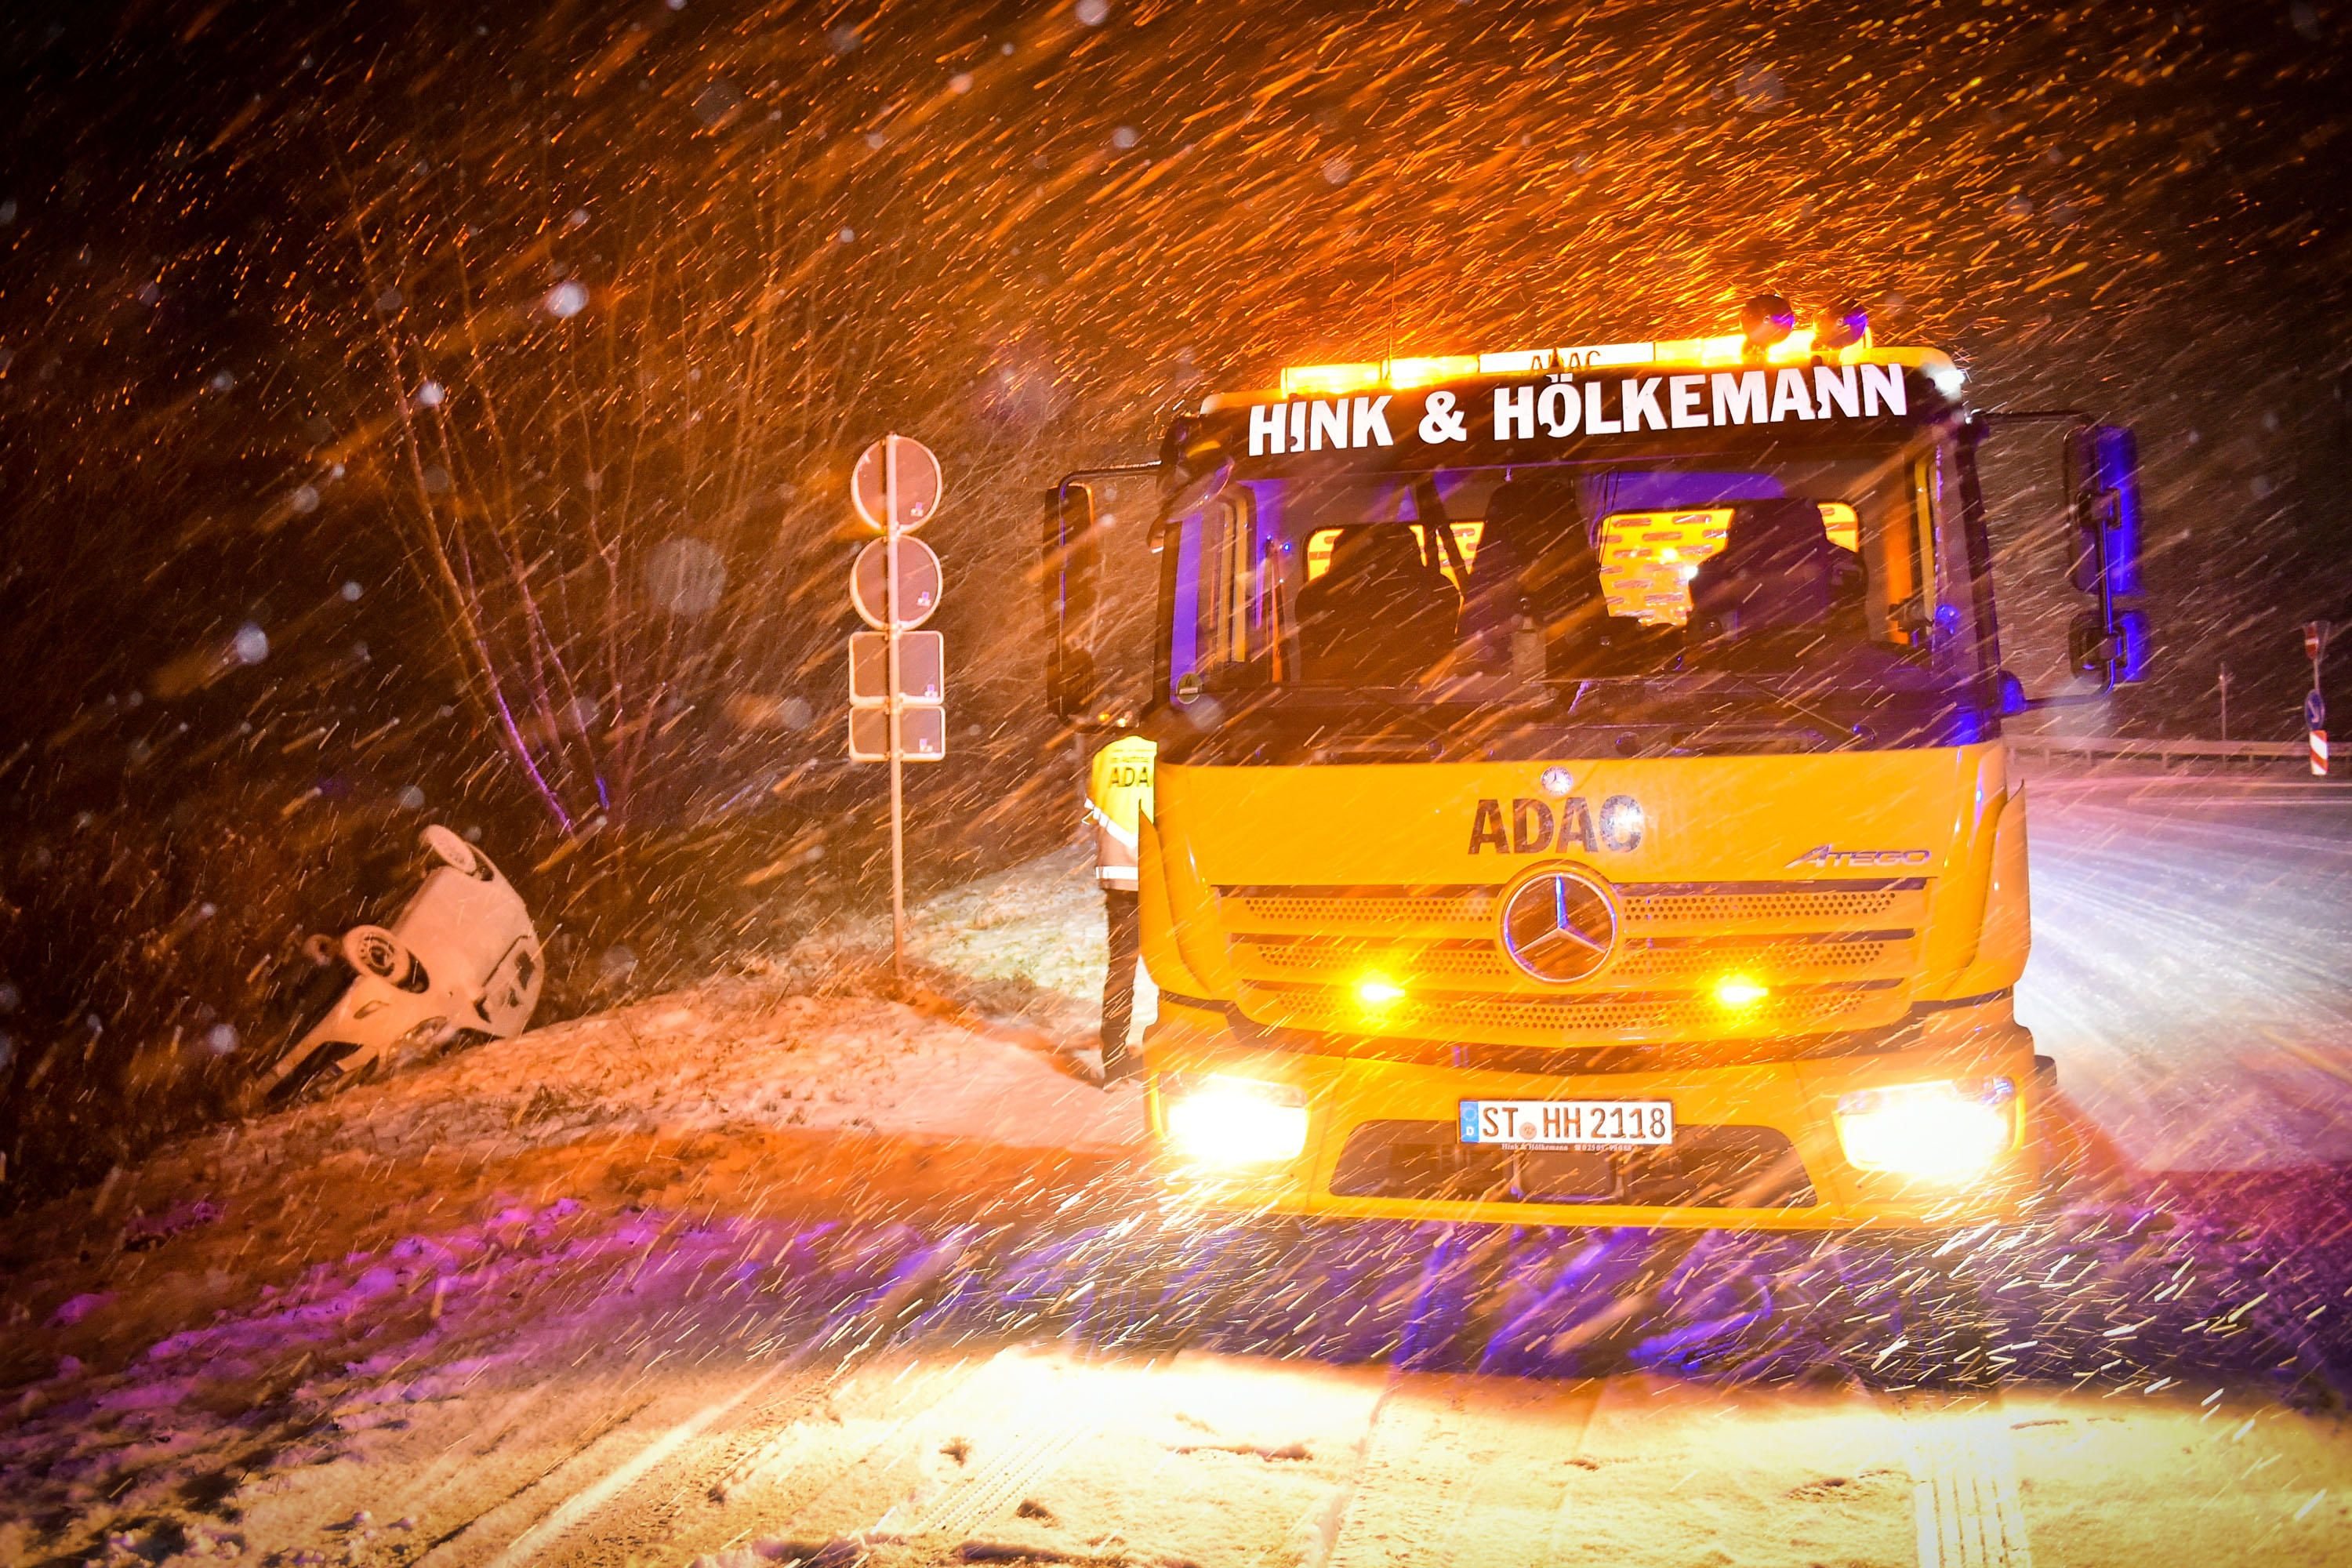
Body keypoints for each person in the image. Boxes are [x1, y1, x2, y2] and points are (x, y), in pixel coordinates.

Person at [1087, 730, 1156, 1086]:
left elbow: (1094, 810)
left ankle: (1113, 1064)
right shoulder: (1166, 753)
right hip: (1159, 876)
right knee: (1172, 971)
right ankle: (1165, 1055)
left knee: (1121, 972)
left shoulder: (1104, 758)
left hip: (1118, 881)